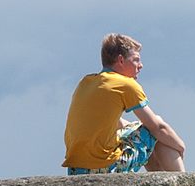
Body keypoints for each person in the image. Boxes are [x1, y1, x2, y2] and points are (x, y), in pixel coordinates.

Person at [62, 33, 187, 174]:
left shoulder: (86, 82)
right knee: (157, 128)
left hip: (75, 170)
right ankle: (183, 184)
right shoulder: (126, 85)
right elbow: (158, 127)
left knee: (143, 131)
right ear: (121, 60)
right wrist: (181, 147)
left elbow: (112, 122)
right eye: (136, 60)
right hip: (105, 167)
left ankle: (158, 178)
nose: (141, 66)